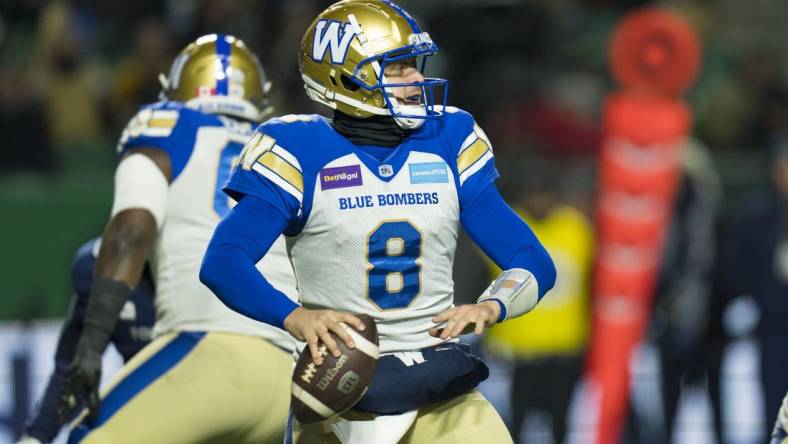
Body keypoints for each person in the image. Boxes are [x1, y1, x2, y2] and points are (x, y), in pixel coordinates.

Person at [200, 1, 556, 443]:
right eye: (399, 68)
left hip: (439, 384)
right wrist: (293, 317)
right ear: (347, 75)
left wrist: (493, 305)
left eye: (416, 67)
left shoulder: (449, 137)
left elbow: (530, 258)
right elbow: (223, 260)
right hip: (341, 390)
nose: (418, 80)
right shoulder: (298, 149)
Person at [57, 34, 298, 444]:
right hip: (292, 375)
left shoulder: (165, 127)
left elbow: (132, 230)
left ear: (177, 89)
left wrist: (92, 346)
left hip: (210, 350)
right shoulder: (285, 145)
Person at [482, 161, 593, 444]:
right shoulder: (509, 226)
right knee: (514, 427)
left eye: (544, 193)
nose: (539, 201)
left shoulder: (576, 228)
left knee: (561, 426)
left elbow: (592, 284)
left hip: (564, 350)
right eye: (533, 193)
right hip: (517, 354)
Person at [16, 238, 154, 444]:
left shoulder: (203, 259)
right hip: (149, 403)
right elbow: (73, 369)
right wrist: (36, 437)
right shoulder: (95, 266)